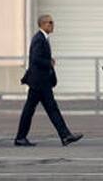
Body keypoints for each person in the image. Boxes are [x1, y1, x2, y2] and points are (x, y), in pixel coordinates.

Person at [14, 14, 83, 147]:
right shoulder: (39, 39)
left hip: (41, 81)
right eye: (50, 23)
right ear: (43, 24)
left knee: (47, 109)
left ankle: (65, 136)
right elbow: (35, 59)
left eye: (53, 22)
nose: (52, 25)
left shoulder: (43, 38)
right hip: (39, 82)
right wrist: (49, 62)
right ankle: (21, 138)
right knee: (37, 109)